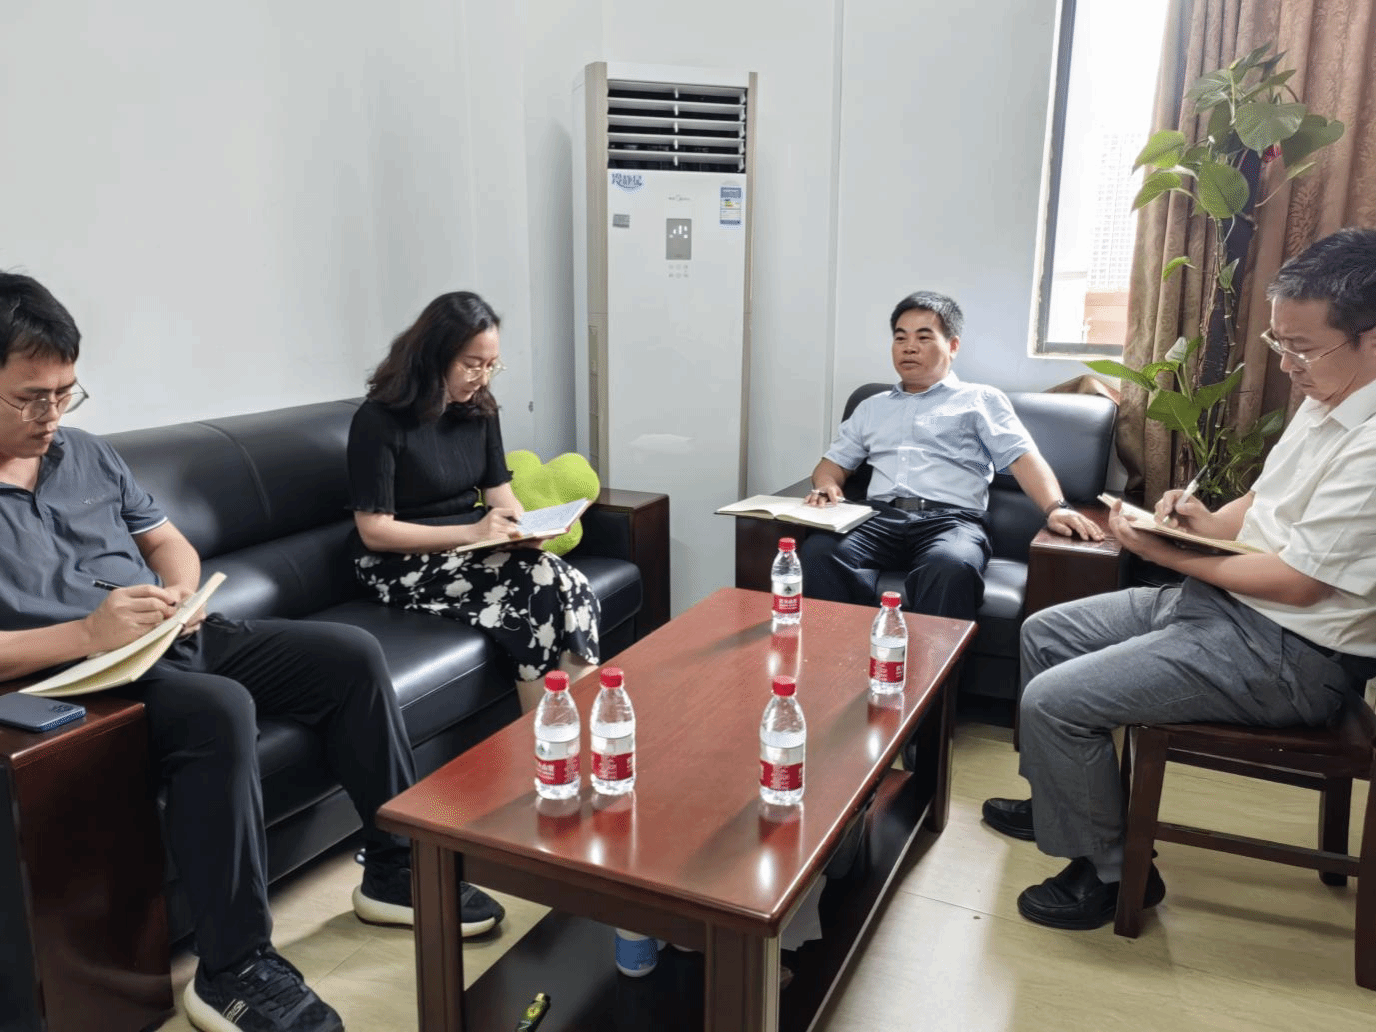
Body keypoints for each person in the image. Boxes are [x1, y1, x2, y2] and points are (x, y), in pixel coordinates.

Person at [982, 227, 1376, 931]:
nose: (1288, 365)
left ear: (1371, 339)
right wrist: (1204, 523)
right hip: (1230, 608)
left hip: (1290, 655)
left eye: (1303, 348)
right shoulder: (1328, 398)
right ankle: (1064, 805)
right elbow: (1262, 504)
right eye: (1279, 343)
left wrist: (1166, 554)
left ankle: (1111, 877)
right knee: (1046, 632)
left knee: (1054, 702)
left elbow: (1300, 584)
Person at [347, 291, 600, 714]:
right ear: (434, 355)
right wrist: (472, 532)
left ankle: (572, 722)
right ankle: (544, 730)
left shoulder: (480, 409)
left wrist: (523, 530)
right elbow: (374, 531)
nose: (482, 378)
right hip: (398, 563)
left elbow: (498, 492)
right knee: (537, 585)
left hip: (472, 547)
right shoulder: (379, 421)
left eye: (491, 365)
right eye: (471, 364)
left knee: (572, 584)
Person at [800, 290, 1103, 619]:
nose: (909, 347)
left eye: (923, 337)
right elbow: (832, 464)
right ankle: (842, 649)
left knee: (949, 564)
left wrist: (1056, 508)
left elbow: (1021, 458)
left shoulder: (980, 399)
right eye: (900, 338)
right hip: (878, 518)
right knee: (820, 551)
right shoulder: (871, 407)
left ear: (953, 346)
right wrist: (826, 484)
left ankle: (933, 656)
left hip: (950, 522)